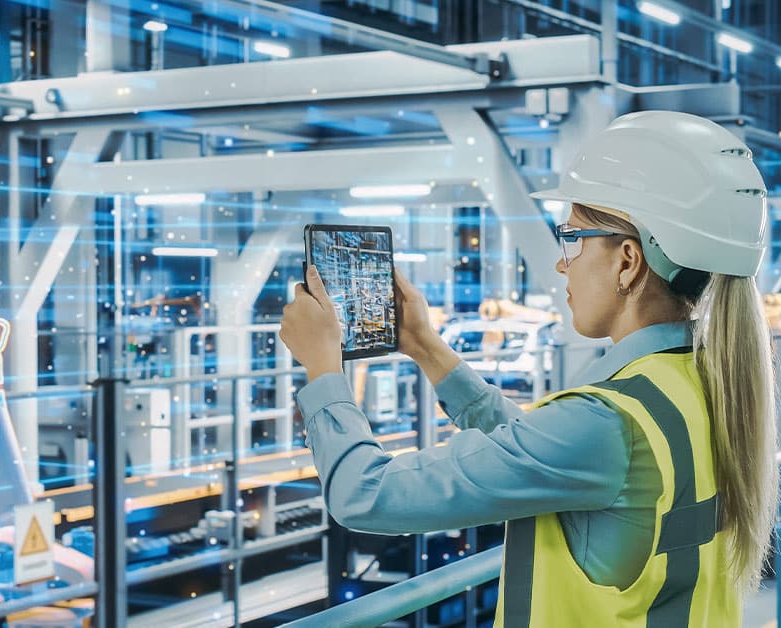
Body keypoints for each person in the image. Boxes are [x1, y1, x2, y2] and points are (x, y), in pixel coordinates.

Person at [279, 111, 778, 626]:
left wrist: (323, 369)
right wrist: (426, 346)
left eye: (573, 237)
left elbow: (363, 495)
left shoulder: (606, 424)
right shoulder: (701, 385)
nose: (563, 263)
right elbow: (542, 449)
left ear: (627, 261)